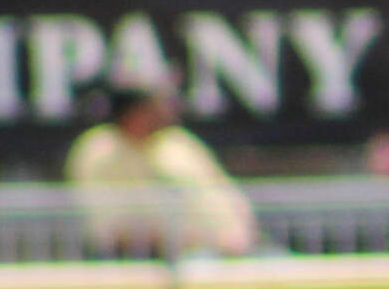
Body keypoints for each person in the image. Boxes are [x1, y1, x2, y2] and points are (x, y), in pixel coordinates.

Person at [64, 79, 258, 258]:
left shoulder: (177, 142)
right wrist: (198, 240)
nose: (166, 111)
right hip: (157, 261)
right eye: (155, 106)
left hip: (236, 250)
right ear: (134, 113)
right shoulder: (99, 150)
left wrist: (238, 233)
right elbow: (112, 227)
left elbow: (224, 191)